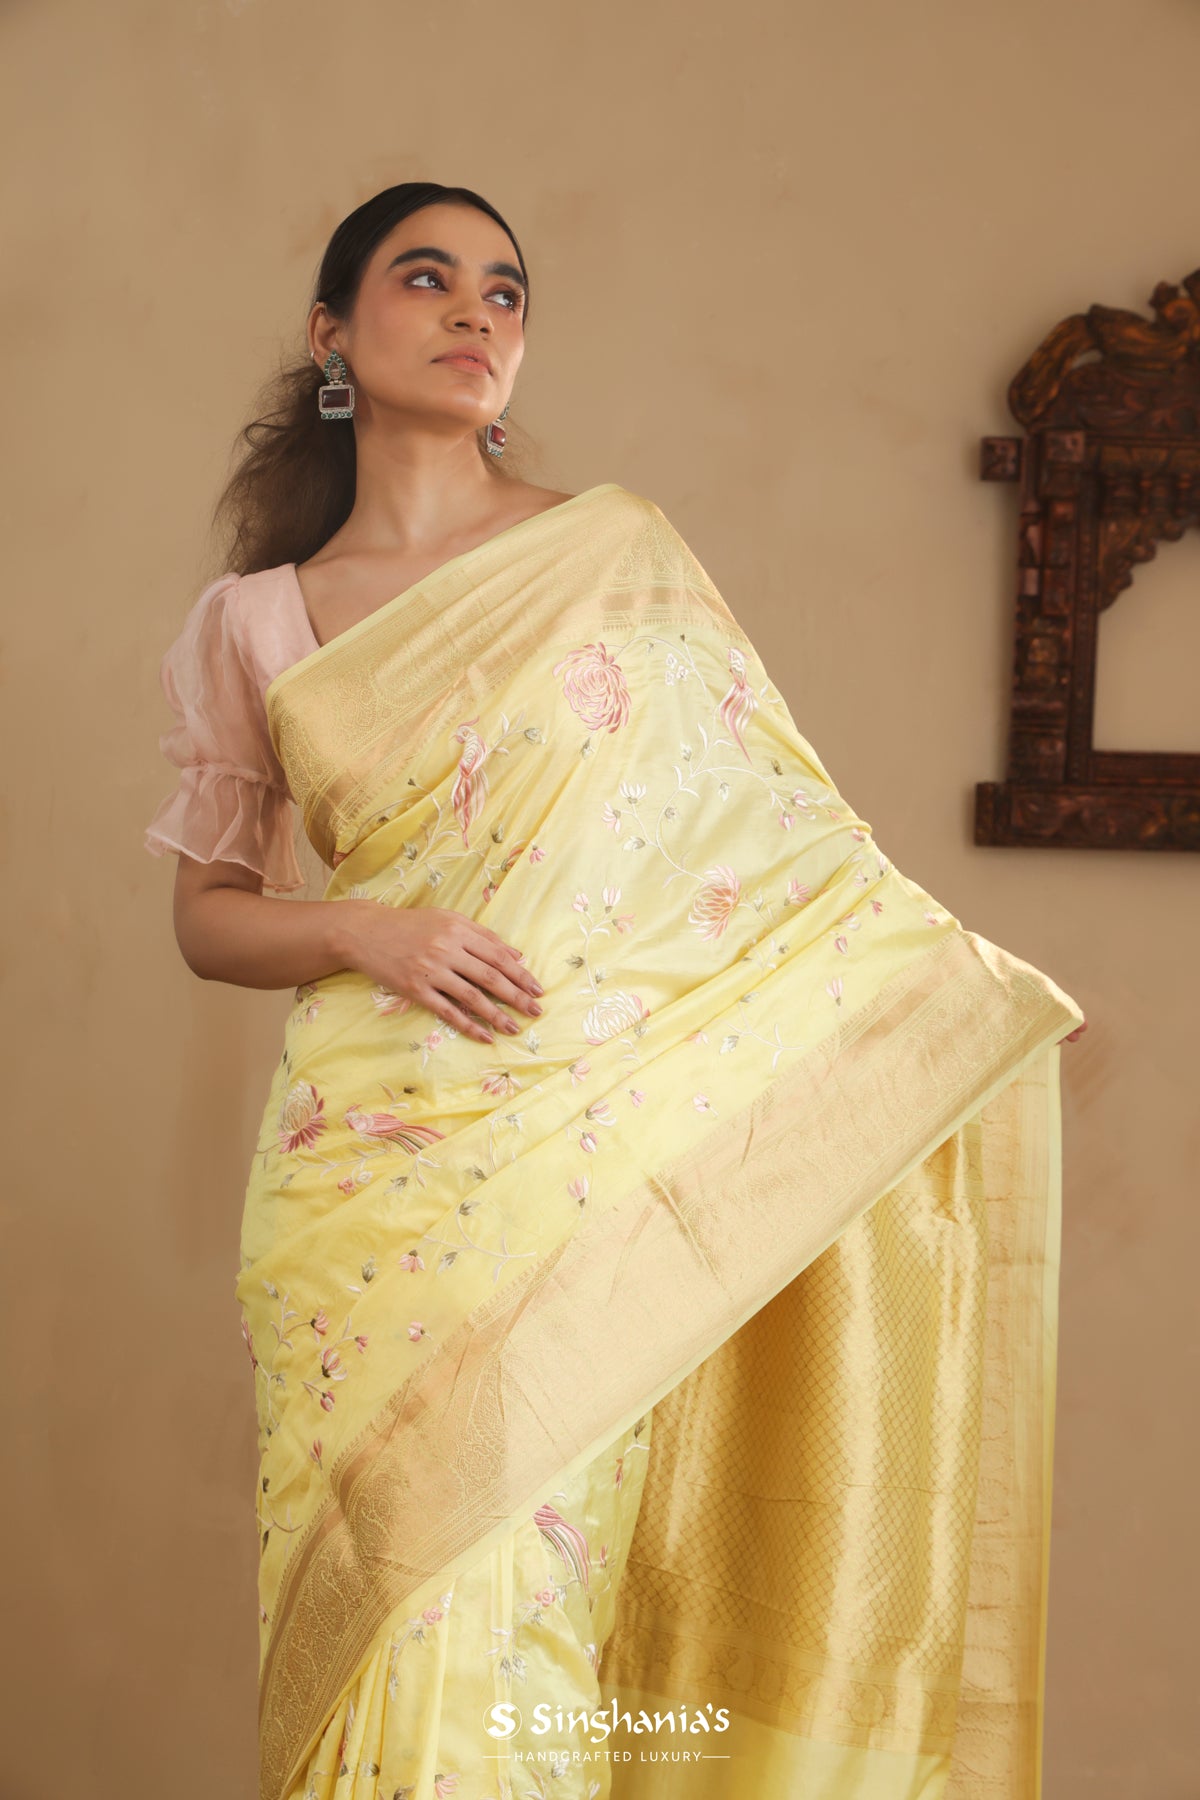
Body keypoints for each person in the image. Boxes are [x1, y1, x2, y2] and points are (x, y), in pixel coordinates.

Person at [143, 182, 1087, 1800]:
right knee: (380, 1600)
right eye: (427, 278)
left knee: (524, 1591)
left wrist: (953, 1014)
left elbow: (775, 838)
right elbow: (209, 921)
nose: (475, 311)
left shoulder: (612, 554)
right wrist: (369, 932)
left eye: (505, 290)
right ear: (332, 334)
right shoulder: (255, 620)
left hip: (573, 1167)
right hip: (361, 1186)